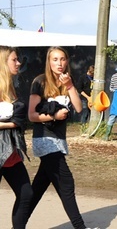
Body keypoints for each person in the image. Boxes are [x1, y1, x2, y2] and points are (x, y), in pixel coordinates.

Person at [27, 46, 99, 229]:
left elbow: (79, 108)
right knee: (66, 183)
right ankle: (80, 227)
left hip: (59, 141)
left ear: (67, 61)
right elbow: (31, 116)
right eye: (55, 59)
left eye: (63, 59)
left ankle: (17, 224)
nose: (59, 63)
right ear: (49, 62)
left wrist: (69, 86)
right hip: (44, 140)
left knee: (37, 190)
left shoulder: (68, 81)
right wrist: (53, 116)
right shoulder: (40, 82)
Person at [0, 46, 33, 229]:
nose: (18, 63)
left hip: (10, 152)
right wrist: (12, 124)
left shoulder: (11, 88)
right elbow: (16, 121)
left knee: (26, 194)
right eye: (14, 60)